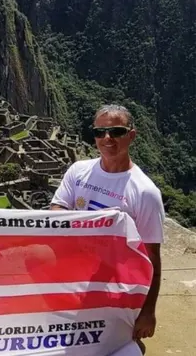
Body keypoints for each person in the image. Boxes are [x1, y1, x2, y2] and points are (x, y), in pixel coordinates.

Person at [50, 105, 164, 354]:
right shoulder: (78, 171)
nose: (107, 139)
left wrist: (148, 311)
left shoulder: (144, 192)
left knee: (117, 342)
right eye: (100, 132)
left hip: (118, 287)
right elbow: (57, 207)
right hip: (76, 278)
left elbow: (152, 259)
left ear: (131, 135)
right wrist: (82, 230)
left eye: (116, 131)